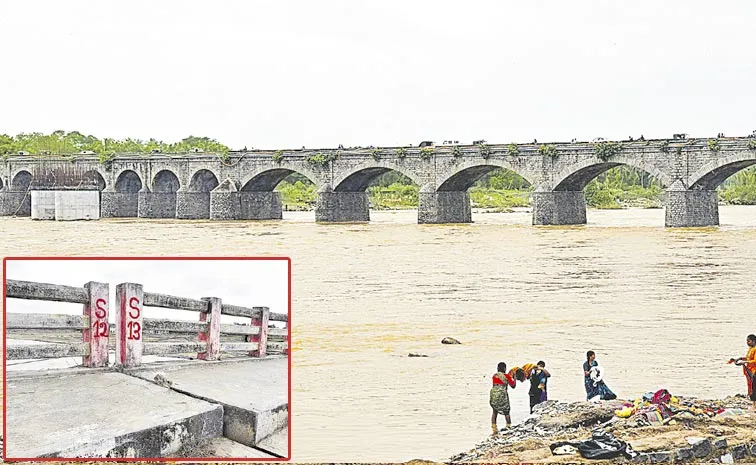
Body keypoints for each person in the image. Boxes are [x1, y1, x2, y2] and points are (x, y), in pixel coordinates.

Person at [729, 334, 756, 411]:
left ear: (754, 341)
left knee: (754, 388)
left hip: (754, 371)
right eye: (747, 341)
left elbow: (754, 361)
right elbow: (748, 358)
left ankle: (754, 406)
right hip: (750, 371)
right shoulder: (751, 349)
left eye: (749, 341)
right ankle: (753, 405)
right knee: (751, 387)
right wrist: (740, 358)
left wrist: (744, 362)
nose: (747, 342)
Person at [490, 362, 517, 435]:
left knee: (494, 411)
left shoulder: (494, 376)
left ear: (498, 368)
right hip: (502, 395)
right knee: (506, 411)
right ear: (505, 368)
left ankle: (494, 428)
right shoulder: (506, 376)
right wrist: (514, 378)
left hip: (493, 394)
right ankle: (508, 426)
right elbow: (513, 386)